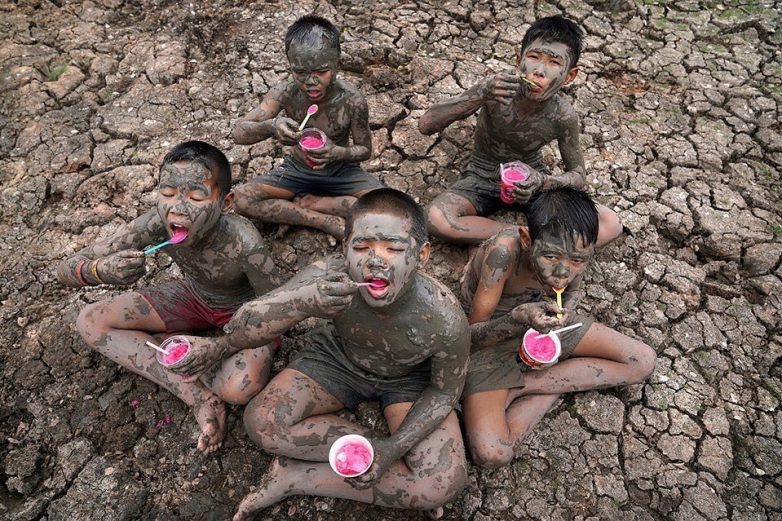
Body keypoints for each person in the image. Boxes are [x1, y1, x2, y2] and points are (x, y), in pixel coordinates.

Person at [178, 189, 469, 518]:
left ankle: (297, 477)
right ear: (345, 248)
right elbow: (256, 313)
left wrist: (394, 446)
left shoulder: (443, 318)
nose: (376, 259)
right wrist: (297, 303)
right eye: (361, 247)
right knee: (261, 423)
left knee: (443, 482)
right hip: (338, 360)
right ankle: (388, 465)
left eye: (394, 248)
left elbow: (445, 391)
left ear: (422, 255)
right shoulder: (330, 276)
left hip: (408, 379)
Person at [56, 141, 286, 454]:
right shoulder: (156, 223)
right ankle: (200, 398)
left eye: (195, 196)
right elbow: (65, 269)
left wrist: (220, 347)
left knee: (239, 387)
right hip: (192, 295)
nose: (177, 207)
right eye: (167, 194)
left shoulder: (245, 244)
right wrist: (100, 270)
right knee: (91, 321)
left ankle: (176, 348)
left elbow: (280, 310)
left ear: (226, 202)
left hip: (243, 311)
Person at [459, 187, 656, 468]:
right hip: (494, 334)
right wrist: (519, 317)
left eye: (576, 261)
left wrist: (565, 314)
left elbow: (571, 291)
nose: (563, 272)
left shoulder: (574, 248)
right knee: (492, 454)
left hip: (544, 323)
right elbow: (473, 335)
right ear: (527, 239)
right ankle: (558, 382)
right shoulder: (503, 255)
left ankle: (524, 387)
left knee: (642, 361)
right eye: (551, 258)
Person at [418, 15, 622, 247]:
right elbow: (426, 125)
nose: (539, 71)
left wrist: (541, 181)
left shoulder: (563, 116)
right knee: (436, 218)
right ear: (519, 59)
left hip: (530, 182)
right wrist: (480, 94)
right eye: (533, 57)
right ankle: (534, 237)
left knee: (610, 222)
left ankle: (541, 242)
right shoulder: (495, 89)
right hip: (481, 175)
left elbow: (577, 175)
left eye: (554, 63)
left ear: (569, 76)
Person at [232, 15, 383, 239]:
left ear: (336, 64)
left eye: (321, 71)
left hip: (341, 170)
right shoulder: (285, 92)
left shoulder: (352, 100)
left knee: (387, 208)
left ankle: (313, 203)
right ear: (291, 66)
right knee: (241, 199)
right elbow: (238, 133)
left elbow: (364, 150)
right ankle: (321, 219)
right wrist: (272, 126)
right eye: (300, 72)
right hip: (297, 169)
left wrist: (336, 153)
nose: (310, 82)